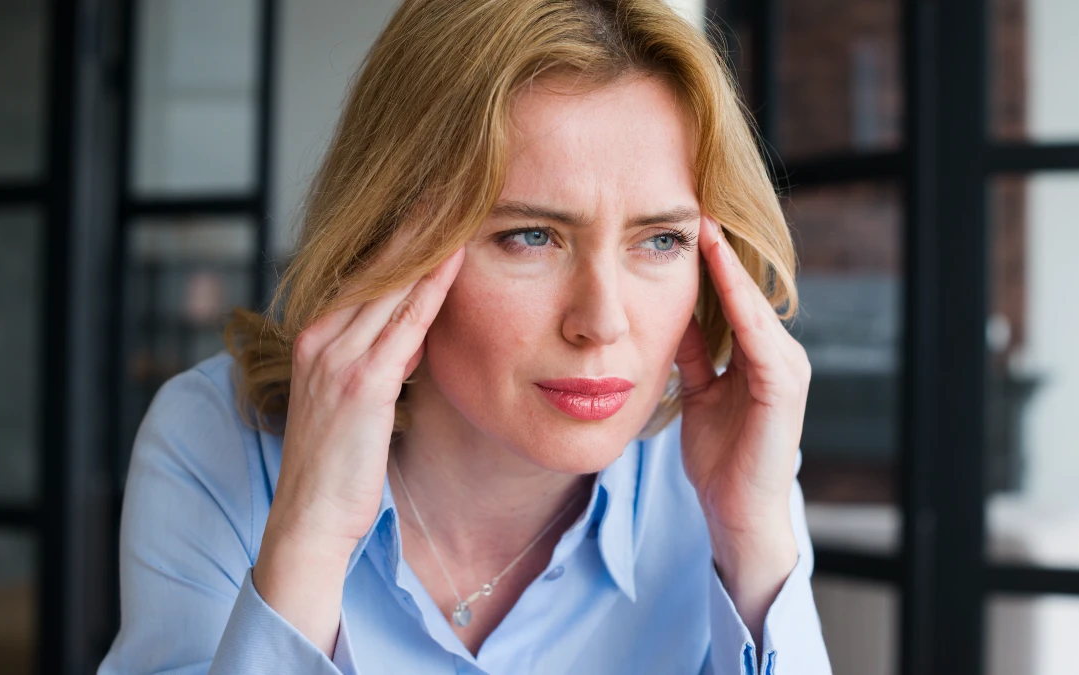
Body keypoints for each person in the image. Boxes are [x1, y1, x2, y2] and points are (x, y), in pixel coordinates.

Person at [98, 0, 832, 673]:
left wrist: (755, 543)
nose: (603, 322)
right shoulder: (214, 441)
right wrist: (311, 533)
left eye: (662, 240)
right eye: (532, 236)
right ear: (390, 235)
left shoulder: (725, 467)